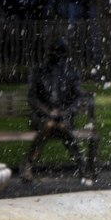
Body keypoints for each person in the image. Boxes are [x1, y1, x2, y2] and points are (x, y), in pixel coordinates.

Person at [20, 38, 94, 185]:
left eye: (59, 52)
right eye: (53, 52)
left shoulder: (71, 73)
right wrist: (48, 111)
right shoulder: (39, 72)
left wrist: (64, 112)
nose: (55, 56)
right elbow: (32, 98)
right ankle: (81, 164)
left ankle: (27, 165)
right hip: (41, 117)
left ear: (64, 54)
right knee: (48, 124)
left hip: (64, 117)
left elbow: (76, 98)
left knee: (62, 126)